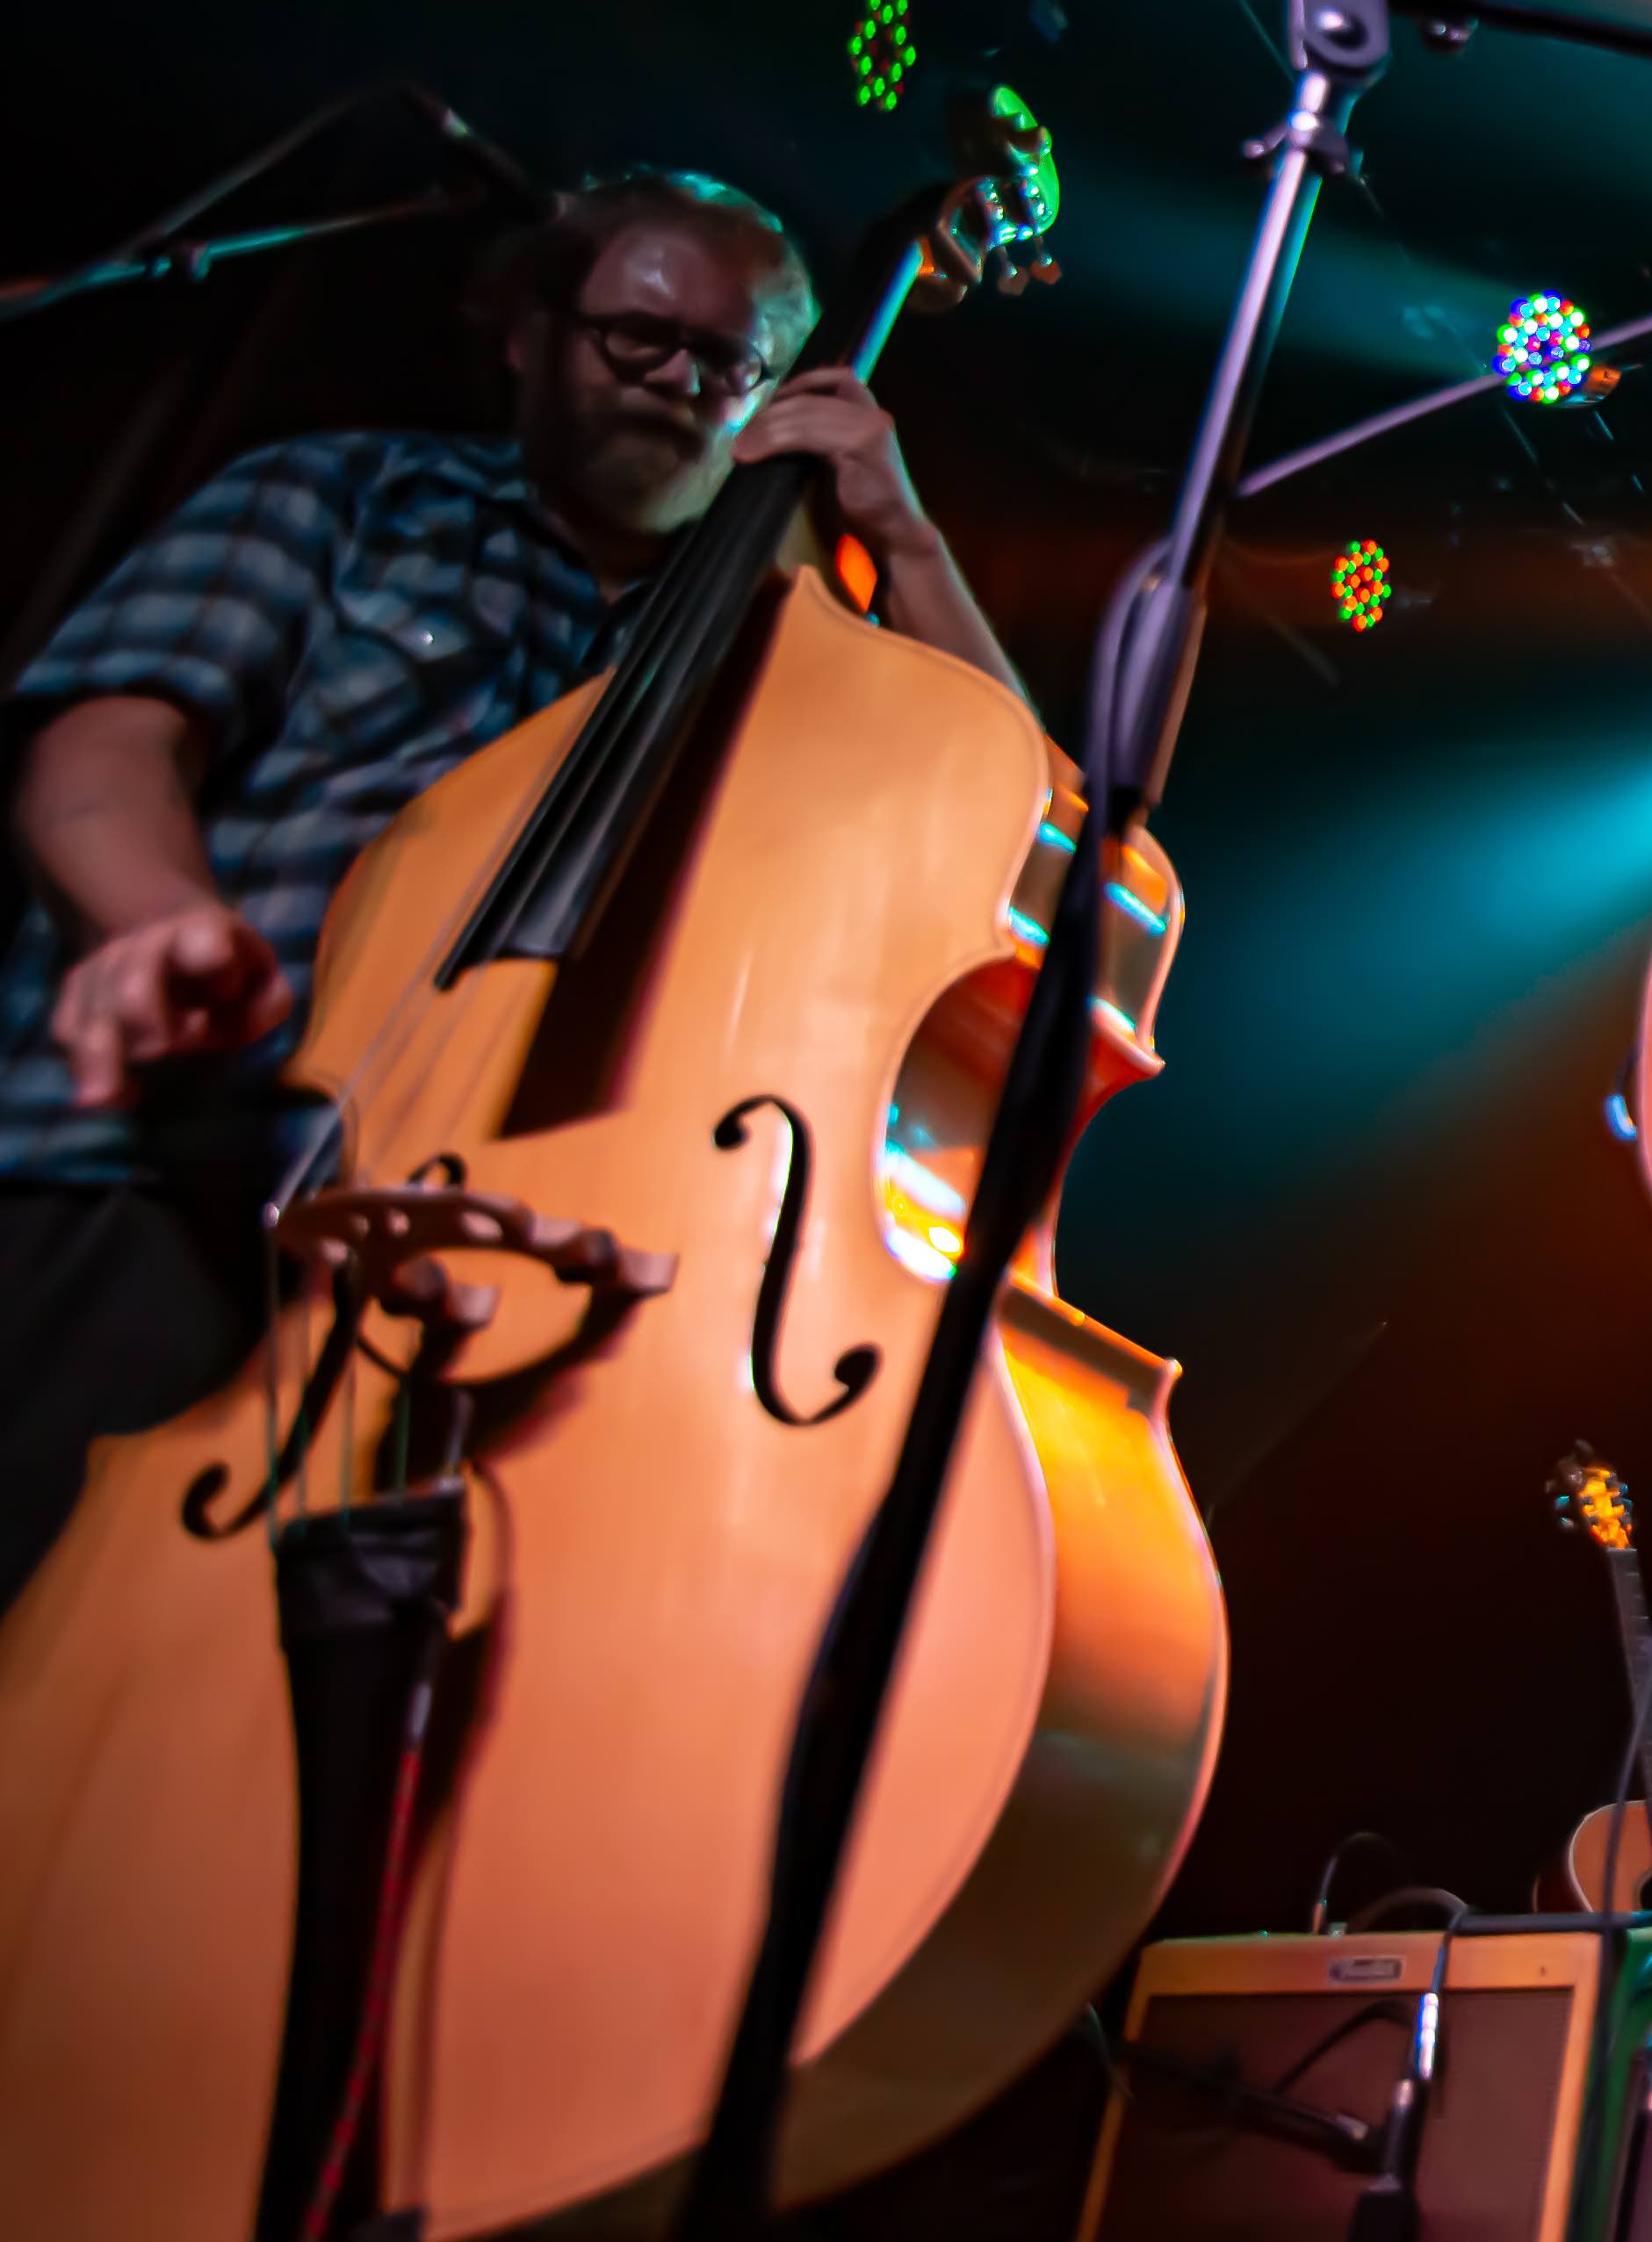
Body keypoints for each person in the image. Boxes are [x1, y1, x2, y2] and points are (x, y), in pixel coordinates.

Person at [0, 169, 1023, 1598]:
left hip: (511, 1272)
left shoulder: (781, 656)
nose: (680, 383)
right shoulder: (347, 492)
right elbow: (105, 751)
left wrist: (902, 539)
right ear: (529, 330)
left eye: (729, 364)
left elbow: (1018, 838)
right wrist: (161, 921)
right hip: (169, 1163)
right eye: (638, 337)